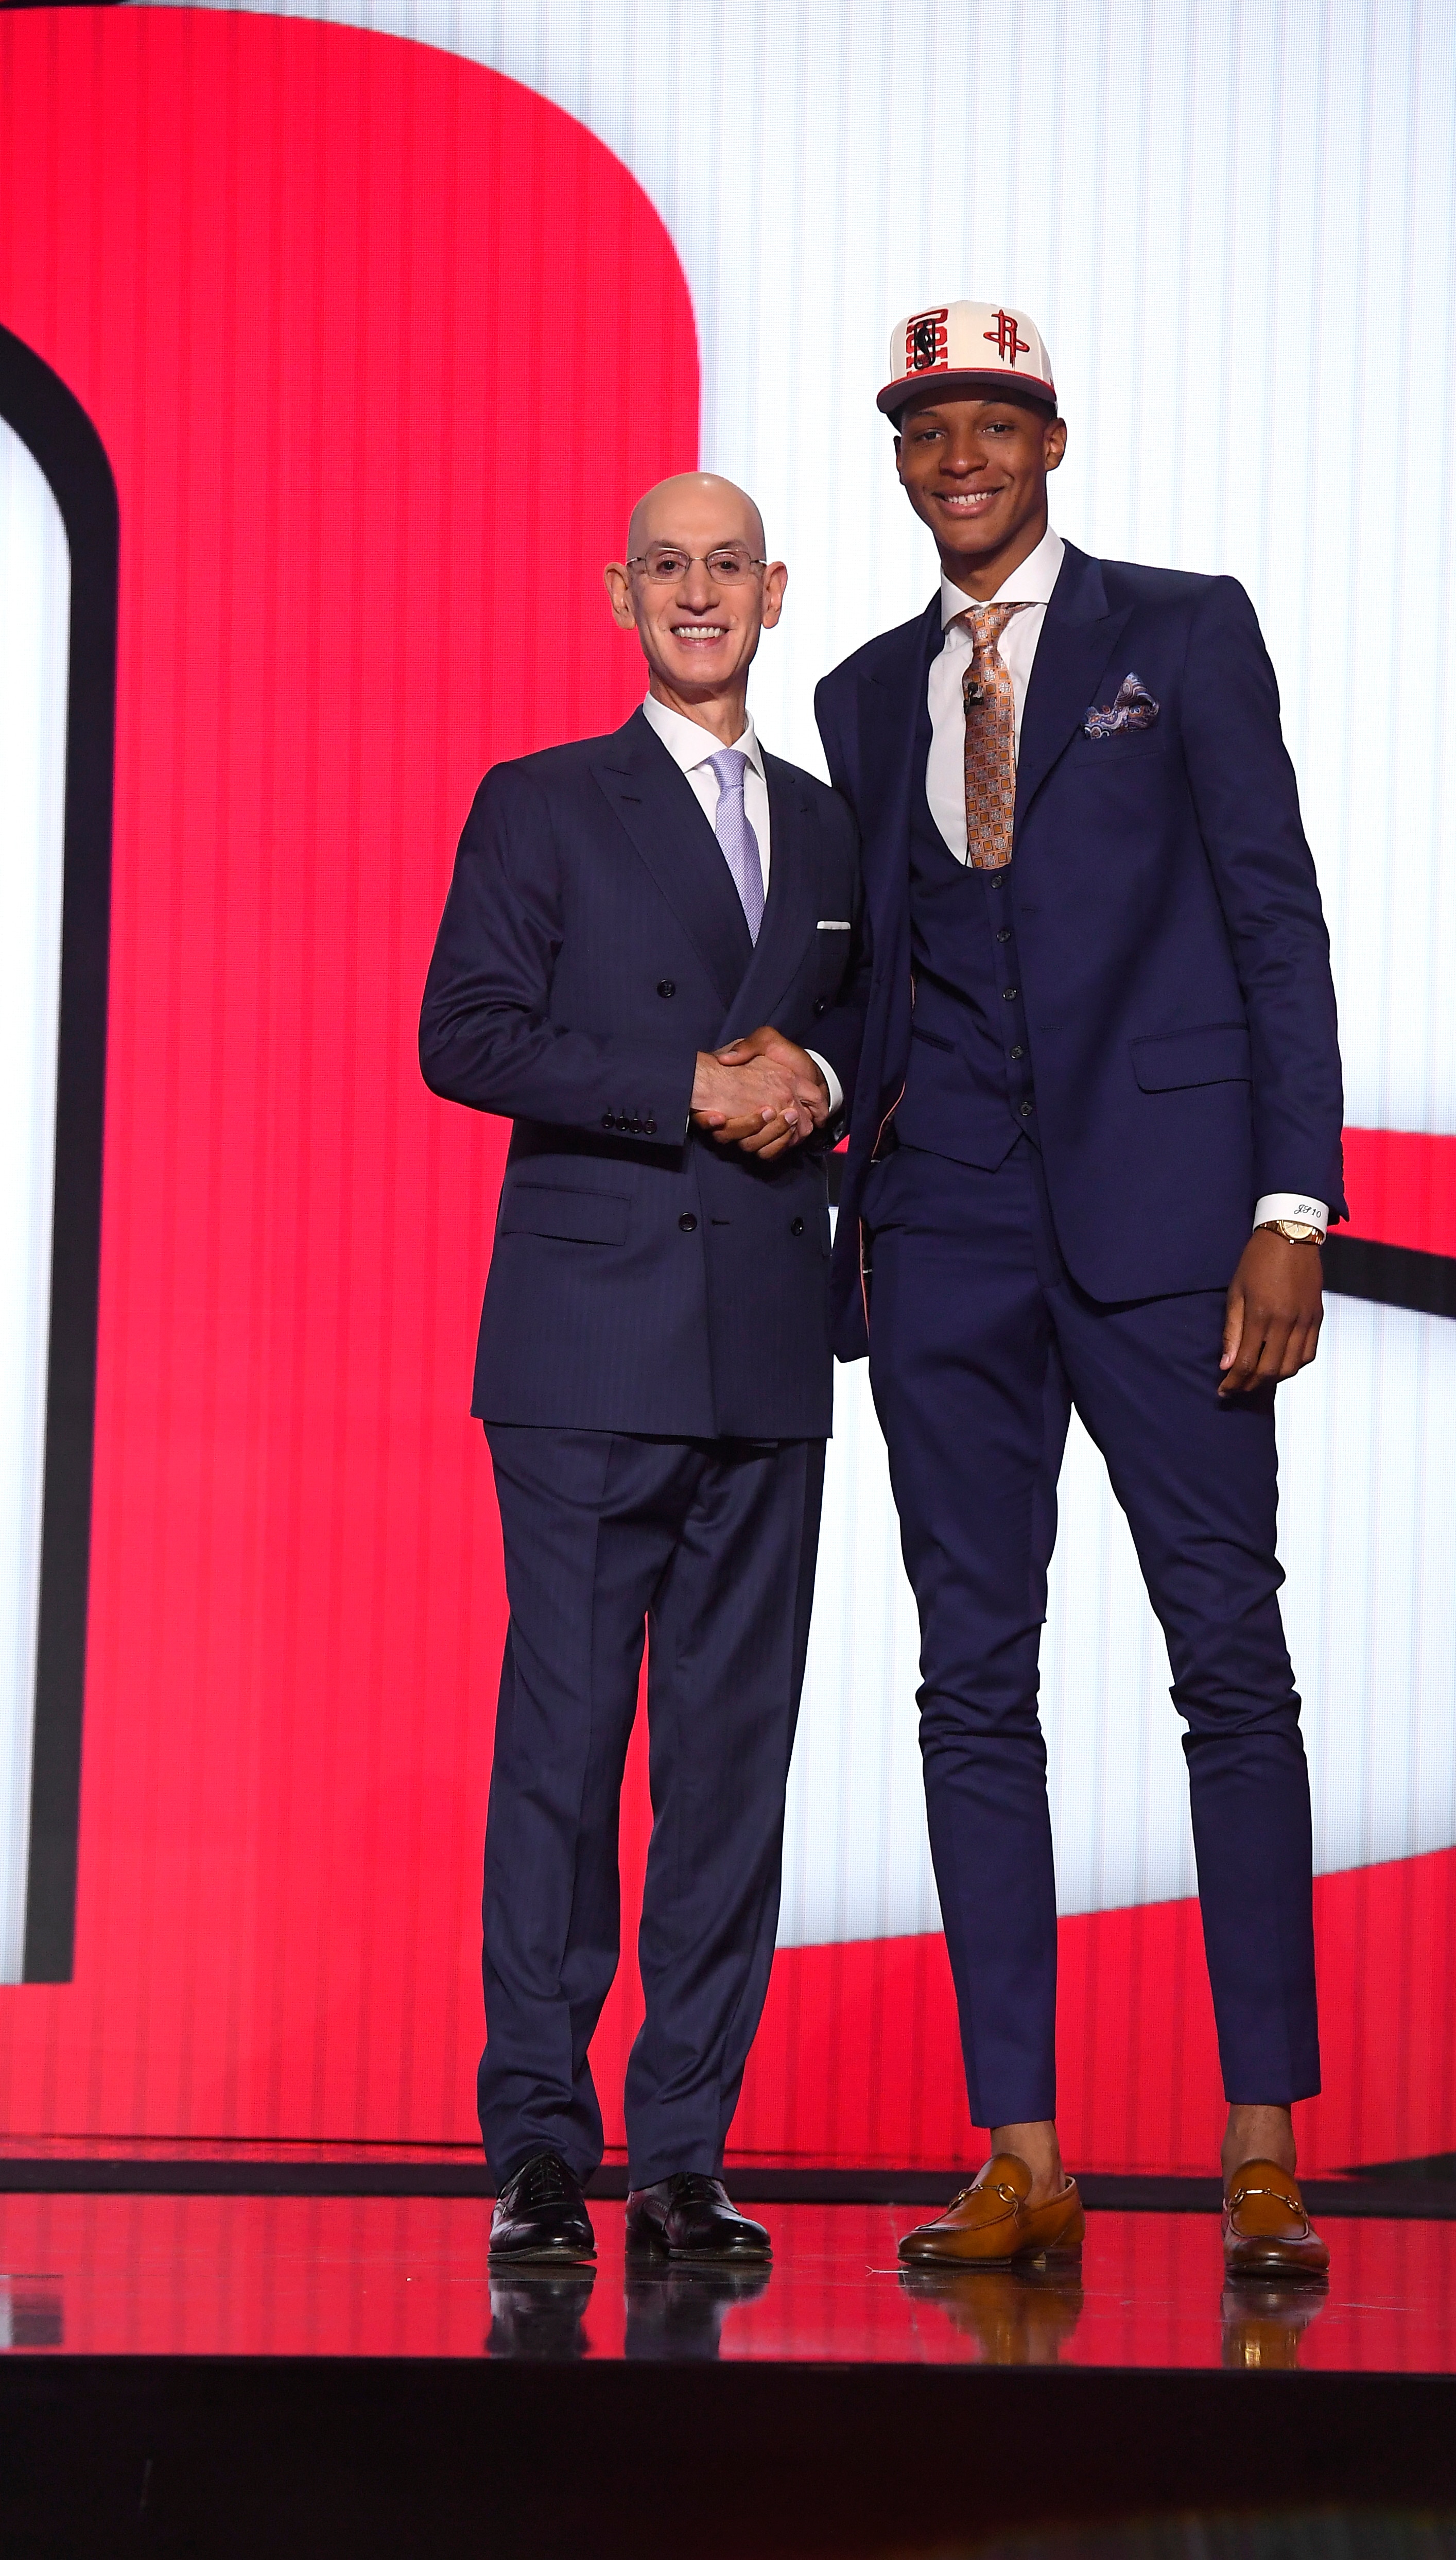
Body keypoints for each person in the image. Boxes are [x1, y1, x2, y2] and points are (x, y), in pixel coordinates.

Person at [814, 304, 1342, 2283]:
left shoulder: (1181, 631)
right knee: (973, 1683)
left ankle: (1262, 2139)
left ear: (1053, 442)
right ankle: (1021, 2153)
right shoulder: (871, 696)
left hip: (1169, 1227)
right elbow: (869, 976)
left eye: (993, 424)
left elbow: (1274, 908)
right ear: (899, 458)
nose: (961, 455)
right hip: (945, 1229)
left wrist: (1291, 1201)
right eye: (927, 426)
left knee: (1227, 1659)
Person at [422, 473, 865, 2269]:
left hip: (766, 1352)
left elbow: (875, 1033)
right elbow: (465, 1031)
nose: (699, 593)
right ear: (619, 594)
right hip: (587, 1349)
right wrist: (689, 1083)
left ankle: (684, 2149)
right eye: (666, 567)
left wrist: (818, 1086)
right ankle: (539, 2138)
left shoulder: (838, 832)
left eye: (727, 566)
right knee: (564, 1753)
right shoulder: (538, 803)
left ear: (776, 591)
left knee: (732, 1769)